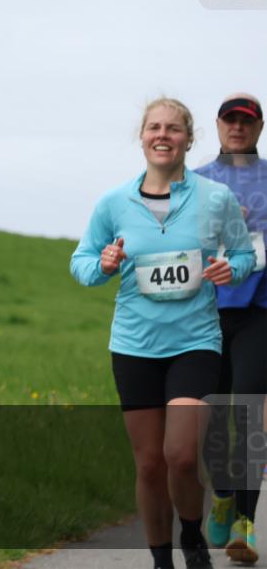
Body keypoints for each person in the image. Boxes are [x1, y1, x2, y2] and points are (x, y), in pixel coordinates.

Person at [70, 97, 255, 569]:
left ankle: (191, 538)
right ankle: (160, 559)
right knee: (150, 463)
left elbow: (242, 255)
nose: (163, 135)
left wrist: (227, 270)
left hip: (195, 341)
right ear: (142, 136)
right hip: (134, 345)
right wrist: (104, 264)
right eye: (155, 127)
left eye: (174, 129)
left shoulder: (215, 197)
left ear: (189, 139)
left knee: (181, 455)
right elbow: (82, 262)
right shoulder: (114, 202)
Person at [195, 94, 266, 564]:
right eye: (230, 120)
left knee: (249, 410)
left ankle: (245, 525)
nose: (237, 128)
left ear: (259, 128)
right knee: (212, 415)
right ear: (218, 125)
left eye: (247, 121)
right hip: (204, 312)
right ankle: (221, 494)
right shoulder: (196, 180)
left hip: (260, 310)